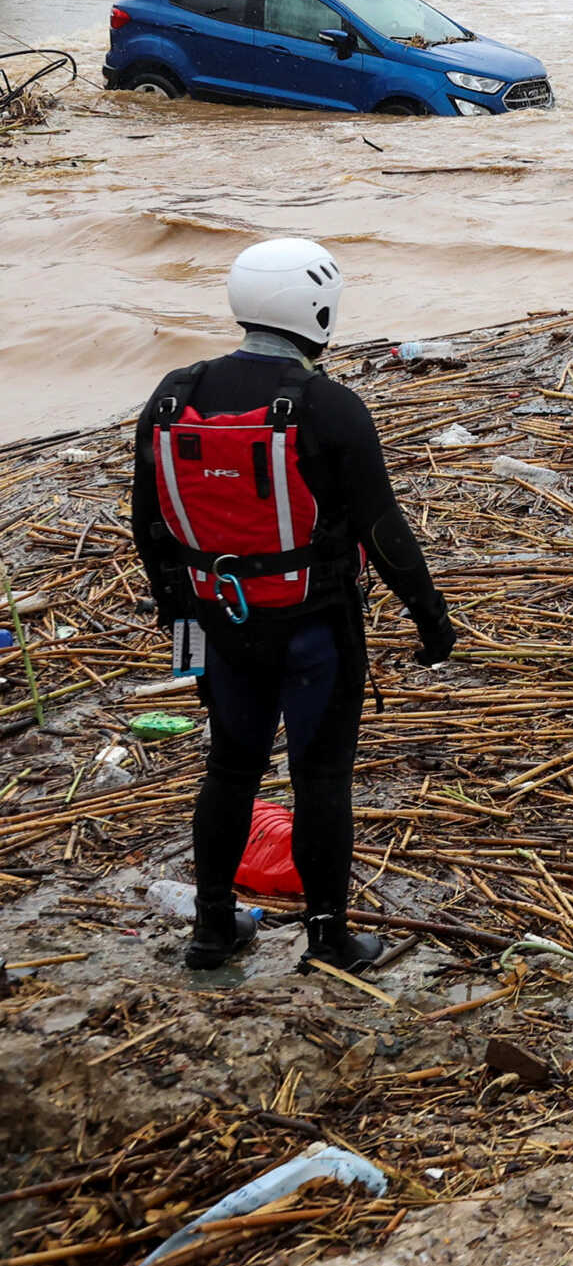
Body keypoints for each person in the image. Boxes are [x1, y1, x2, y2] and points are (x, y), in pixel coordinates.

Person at [130, 239, 454, 974]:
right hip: (315, 630)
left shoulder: (172, 395)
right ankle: (329, 936)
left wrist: (178, 617)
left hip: (216, 624)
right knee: (321, 780)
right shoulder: (330, 406)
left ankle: (212, 929)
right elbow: (384, 529)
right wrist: (430, 617)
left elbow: (149, 525)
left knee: (230, 768)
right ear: (319, 311)